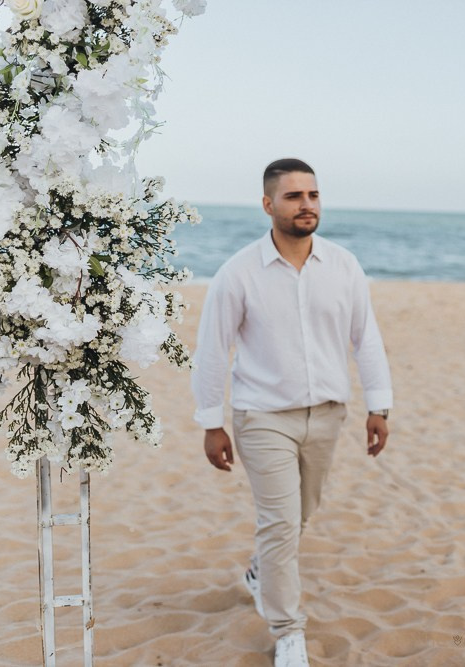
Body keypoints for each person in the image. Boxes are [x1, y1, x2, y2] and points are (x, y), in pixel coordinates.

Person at [191, 158, 393, 667]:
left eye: (313, 195)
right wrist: (211, 422)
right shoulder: (238, 273)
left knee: (299, 515)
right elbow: (212, 350)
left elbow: (366, 338)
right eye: (294, 196)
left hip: (328, 414)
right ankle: (288, 632)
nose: (307, 204)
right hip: (262, 417)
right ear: (268, 205)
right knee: (281, 523)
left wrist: (379, 405)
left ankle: (260, 571)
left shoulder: (343, 266)